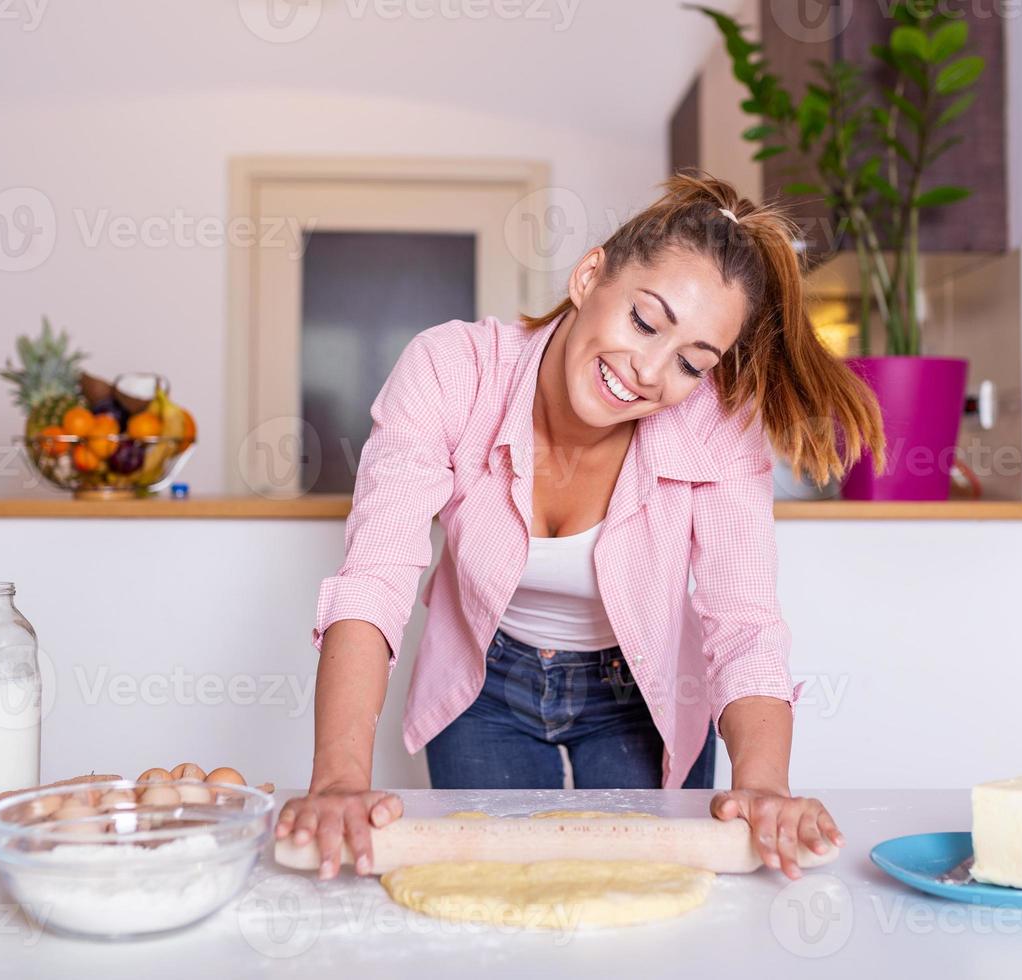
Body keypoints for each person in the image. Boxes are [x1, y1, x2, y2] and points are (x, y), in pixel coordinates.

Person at [274, 170, 886, 882]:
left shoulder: (719, 425)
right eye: (644, 321)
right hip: (485, 687)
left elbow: (743, 623)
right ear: (590, 273)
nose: (650, 371)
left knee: (650, 910)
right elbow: (373, 579)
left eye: (692, 362)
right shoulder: (451, 369)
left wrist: (765, 785)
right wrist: (338, 779)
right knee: (497, 895)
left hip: (640, 693)